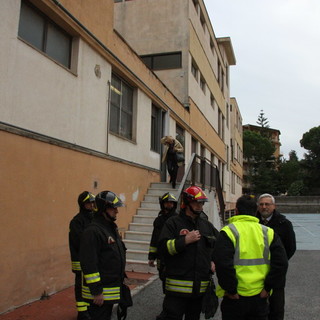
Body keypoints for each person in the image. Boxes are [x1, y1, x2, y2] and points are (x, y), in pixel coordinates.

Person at [213, 195, 288, 320]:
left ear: (236, 211)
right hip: (259, 296)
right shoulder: (268, 232)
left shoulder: (228, 231)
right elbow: (281, 264)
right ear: (256, 211)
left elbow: (222, 264)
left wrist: (231, 290)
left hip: (235, 298)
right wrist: (267, 288)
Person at [158, 186, 219, 320]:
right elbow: (163, 248)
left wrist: (213, 260)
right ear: (186, 203)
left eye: (201, 203)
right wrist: (184, 241)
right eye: (196, 202)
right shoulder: (173, 223)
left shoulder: (206, 225)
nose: (199, 206)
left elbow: (217, 246)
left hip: (198, 291)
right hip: (176, 292)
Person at [79, 191, 129, 320]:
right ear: (102, 209)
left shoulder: (110, 228)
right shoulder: (92, 231)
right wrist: (96, 291)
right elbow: (89, 264)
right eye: (113, 208)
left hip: (109, 289)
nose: (117, 211)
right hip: (99, 295)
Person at [257, 193, 296, 320]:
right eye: (261, 204)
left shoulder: (284, 224)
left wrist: (278, 263)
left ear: (274, 206)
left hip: (276, 275)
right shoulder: (253, 223)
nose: (264, 207)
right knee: (257, 312)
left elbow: (290, 248)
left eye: (267, 204)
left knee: (276, 310)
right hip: (256, 275)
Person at [69, 191, 96, 320]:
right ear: (82, 204)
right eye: (88, 203)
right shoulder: (76, 221)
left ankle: (89, 308)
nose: (91, 205)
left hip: (91, 260)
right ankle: (82, 312)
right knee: (80, 287)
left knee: (89, 286)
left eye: (92, 202)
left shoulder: (94, 218)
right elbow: (80, 241)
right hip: (80, 261)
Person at [148, 192, 178, 283]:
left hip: (174, 254)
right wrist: (152, 256)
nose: (169, 205)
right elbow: (155, 238)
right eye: (167, 202)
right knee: (163, 277)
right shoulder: (159, 220)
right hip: (161, 255)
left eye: (171, 203)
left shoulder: (178, 219)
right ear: (162, 204)